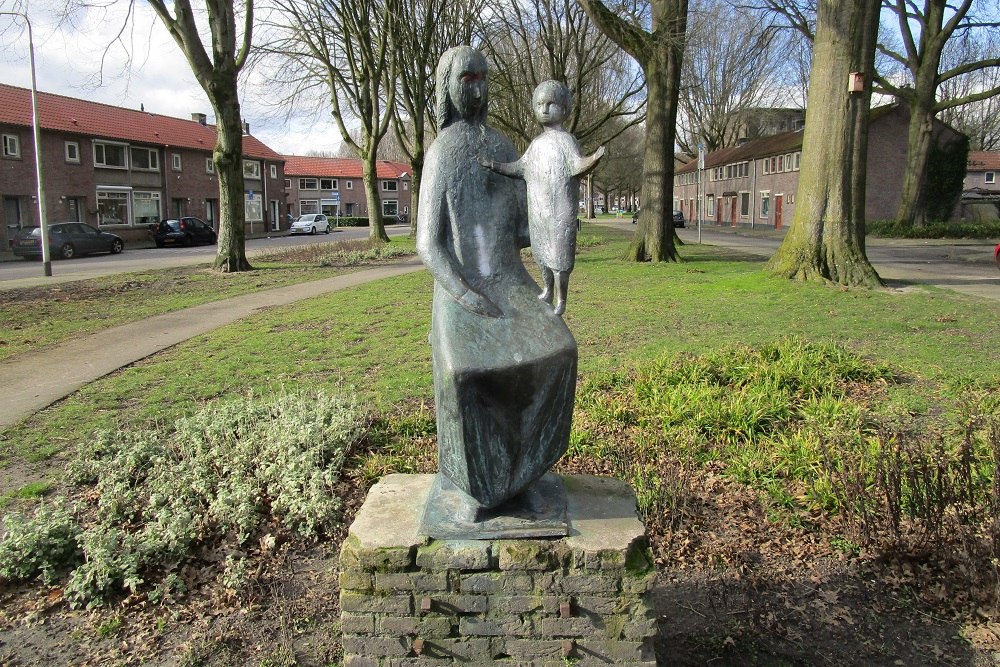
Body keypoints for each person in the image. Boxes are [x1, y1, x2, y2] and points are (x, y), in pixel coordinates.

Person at [416, 47, 578, 512]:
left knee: (559, 351)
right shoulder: (443, 150)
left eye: (483, 77)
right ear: (450, 84)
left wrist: (557, 212)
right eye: (468, 78)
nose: (479, 87)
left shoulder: (505, 147)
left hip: (510, 280)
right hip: (461, 286)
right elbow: (429, 244)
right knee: (464, 374)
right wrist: (465, 294)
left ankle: (521, 472)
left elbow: (522, 230)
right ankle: (477, 482)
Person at [483, 80, 604, 316]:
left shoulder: (566, 141)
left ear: (564, 108)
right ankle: (547, 289)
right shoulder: (536, 145)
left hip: (560, 211)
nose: (545, 109)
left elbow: (577, 165)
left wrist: (594, 158)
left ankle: (561, 298)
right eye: (540, 104)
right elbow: (519, 168)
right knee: (540, 253)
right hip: (538, 211)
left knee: (559, 258)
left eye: (551, 104)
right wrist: (494, 165)